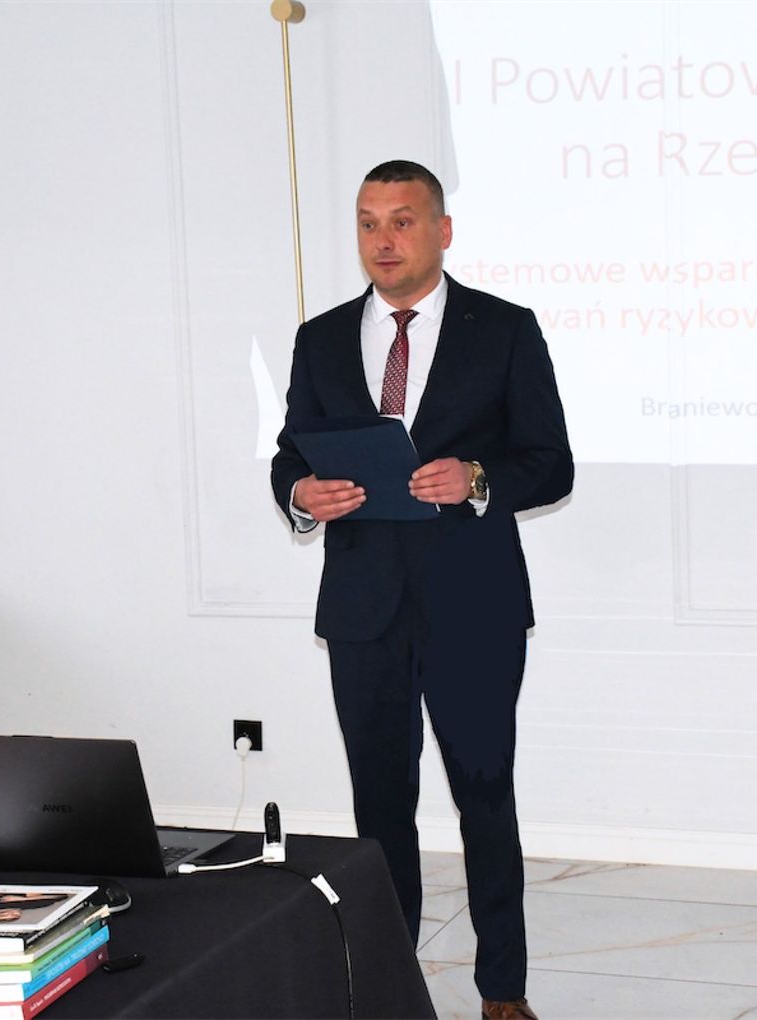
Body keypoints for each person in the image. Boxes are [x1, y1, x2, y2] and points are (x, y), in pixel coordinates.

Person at [271, 160, 572, 1020]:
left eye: (402, 221)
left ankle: (503, 989)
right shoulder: (321, 338)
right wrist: (301, 495)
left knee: (485, 798)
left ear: (442, 230)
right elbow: (292, 454)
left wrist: (477, 478)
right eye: (369, 223)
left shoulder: (504, 329)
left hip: (474, 607)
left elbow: (551, 463)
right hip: (363, 610)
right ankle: (388, 982)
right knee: (380, 812)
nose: (384, 239)